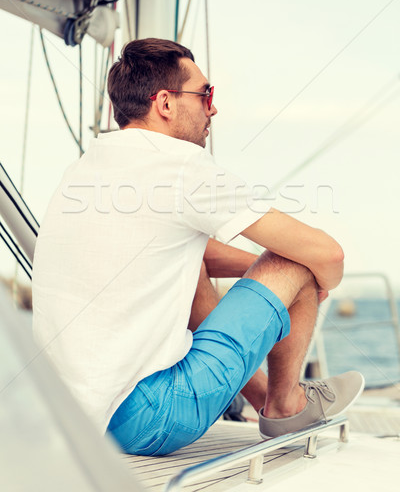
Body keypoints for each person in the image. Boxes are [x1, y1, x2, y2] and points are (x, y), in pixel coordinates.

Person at [32, 38, 364, 456]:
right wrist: (308, 280)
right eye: (206, 94)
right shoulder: (181, 166)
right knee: (295, 261)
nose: (213, 108)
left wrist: (258, 273)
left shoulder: (86, 165)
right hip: (151, 418)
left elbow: (191, 253)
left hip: (74, 417)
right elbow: (328, 254)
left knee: (195, 259)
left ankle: (262, 399)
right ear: (166, 104)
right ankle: (285, 405)